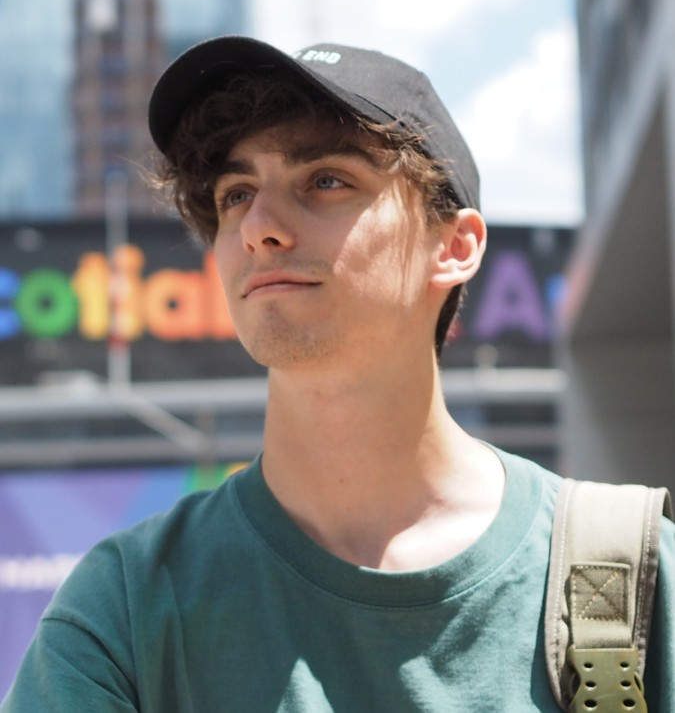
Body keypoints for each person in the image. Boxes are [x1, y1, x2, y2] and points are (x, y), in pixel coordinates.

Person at [2, 38, 674, 711]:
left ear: (454, 245)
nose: (258, 227)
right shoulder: (127, 606)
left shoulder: (630, 580)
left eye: (325, 180)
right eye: (236, 193)